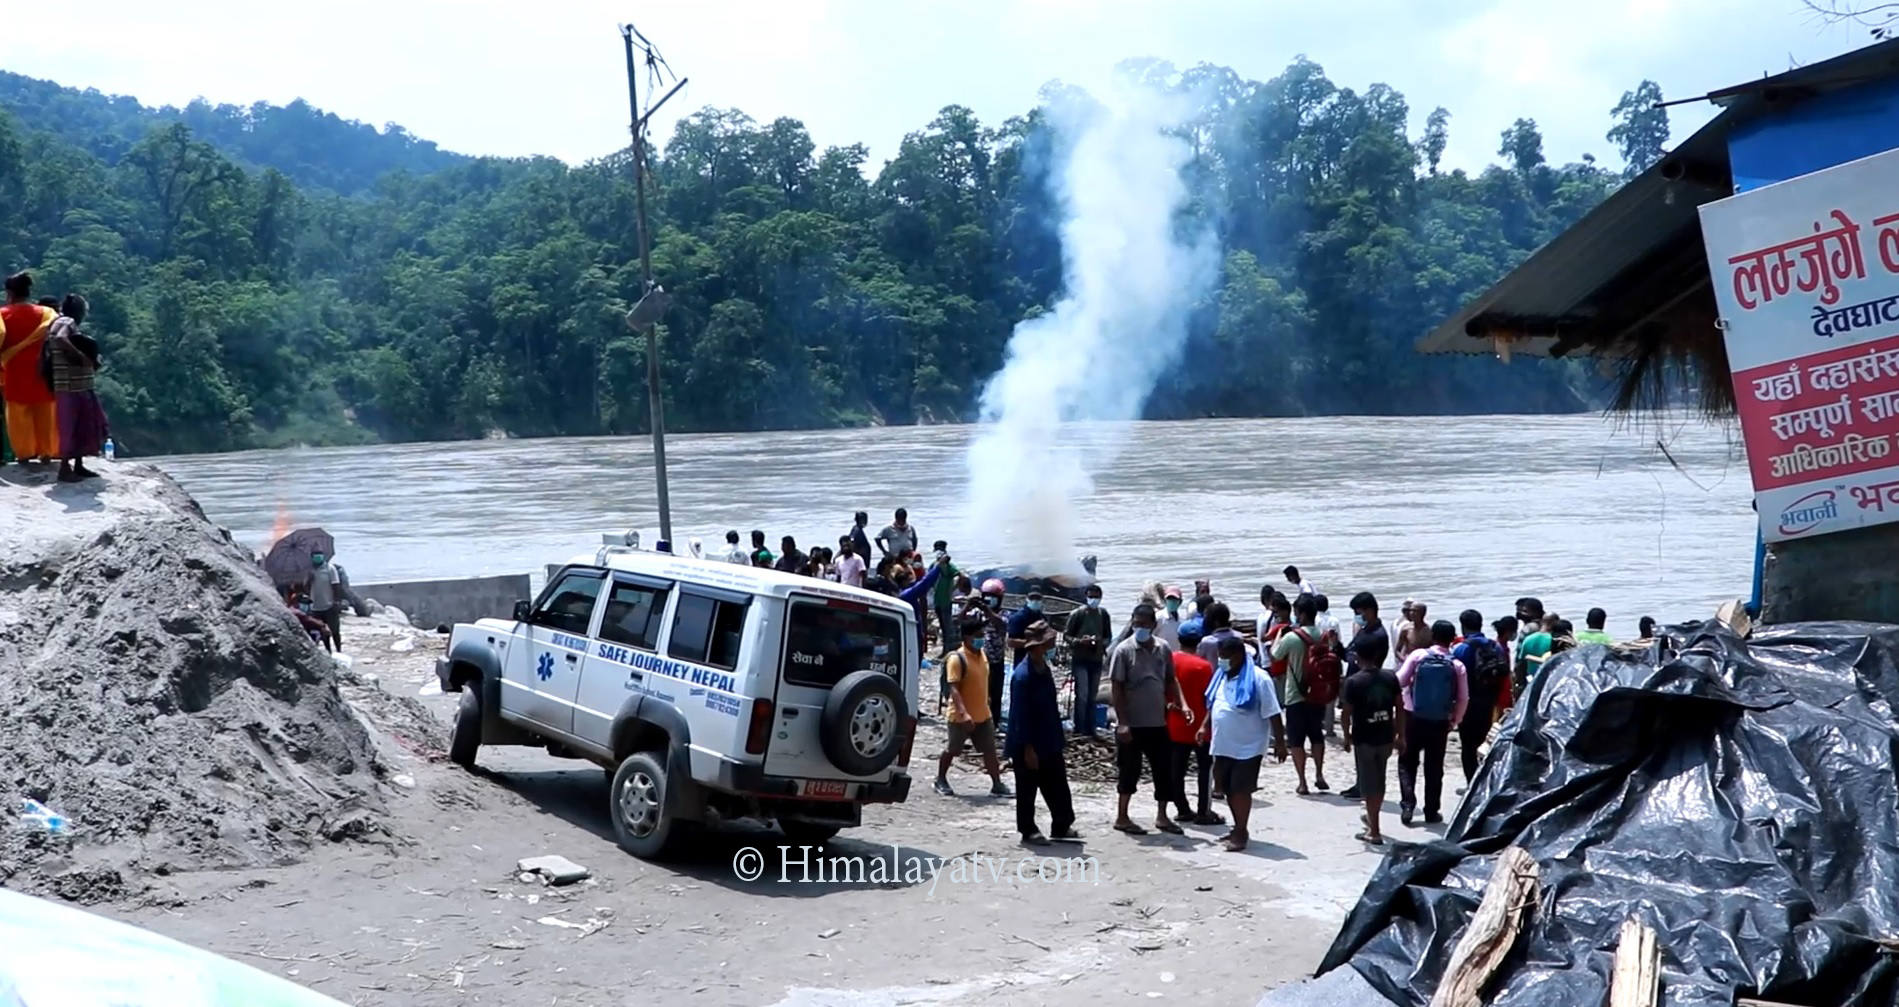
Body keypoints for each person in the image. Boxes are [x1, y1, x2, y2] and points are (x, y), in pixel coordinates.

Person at [1193, 635, 1283, 852]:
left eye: (1226, 657)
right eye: (1220, 656)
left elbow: (1273, 712)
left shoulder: (1259, 678)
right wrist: (1204, 726)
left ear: (1239, 656)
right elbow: (1214, 703)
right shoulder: (1221, 676)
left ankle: (1241, 832)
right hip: (1223, 744)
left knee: (1240, 790)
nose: (1222, 661)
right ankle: (1237, 827)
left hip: (1248, 746)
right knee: (1225, 788)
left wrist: (1280, 743)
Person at [1109, 603, 1190, 836]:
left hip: (1157, 722)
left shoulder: (1163, 648)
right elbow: (1117, 688)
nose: (1140, 628)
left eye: (1144, 624)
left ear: (1154, 626)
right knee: (1128, 771)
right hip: (1132, 724)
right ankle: (1122, 816)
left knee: (1163, 770)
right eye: (1136, 624)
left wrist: (1183, 704)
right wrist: (1122, 722)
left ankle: (1162, 816)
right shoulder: (1124, 651)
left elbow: (1171, 680)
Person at [1006, 620, 1078, 845]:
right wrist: (1028, 748)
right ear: (1038, 645)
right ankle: (1028, 830)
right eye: (1048, 640)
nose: (1052, 643)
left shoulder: (1043, 667)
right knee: (1027, 788)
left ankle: (1062, 824)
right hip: (1028, 741)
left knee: (1057, 783)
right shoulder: (1023, 676)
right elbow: (1020, 715)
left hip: (1049, 737)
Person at [1395, 620, 1468, 826]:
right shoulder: (1457, 665)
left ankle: (1408, 805)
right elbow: (1463, 698)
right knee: (1434, 767)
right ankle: (1431, 811)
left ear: (1432, 636)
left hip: (1413, 717)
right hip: (1440, 722)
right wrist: (1455, 720)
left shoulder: (1418, 656)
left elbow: (1399, 681)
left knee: (1407, 762)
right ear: (1452, 639)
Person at [936, 615, 1010, 798]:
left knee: (989, 750)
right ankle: (940, 779)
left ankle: (997, 784)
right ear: (966, 638)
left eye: (982, 634)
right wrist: (964, 713)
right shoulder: (957, 659)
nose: (981, 639)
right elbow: (954, 689)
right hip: (960, 716)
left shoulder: (982, 655)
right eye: (977, 635)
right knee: (953, 749)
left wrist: (988, 699)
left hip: (983, 713)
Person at [1341, 634, 1403, 845]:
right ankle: (1372, 820)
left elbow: (1346, 713)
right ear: (1378, 655)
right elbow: (1399, 707)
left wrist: (1346, 736)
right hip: (1385, 735)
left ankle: (1374, 830)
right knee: (1380, 779)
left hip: (1364, 738)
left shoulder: (1353, 681)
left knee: (1368, 784)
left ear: (1357, 657)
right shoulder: (1390, 677)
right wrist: (1400, 735)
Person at [1269, 595, 1331, 795]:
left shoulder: (1291, 637)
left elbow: (1275, 655)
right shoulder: (1322, 635)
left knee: (1296, 740)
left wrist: (1279, 634)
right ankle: (1319, 774)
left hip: (1295, 694)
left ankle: (1303, 782)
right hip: (1318, 693)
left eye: (1296, 613)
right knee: (1316, 735)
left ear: (1302, 614)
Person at [1337, 591, 1392, 802]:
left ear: (1368, 610)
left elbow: (1372, 663)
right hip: (1356, 682)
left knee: (1365, 736)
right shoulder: (1365, 630)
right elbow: (1349, 654)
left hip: (1368, 688)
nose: (1356, 616)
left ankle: (1367, 786)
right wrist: (1337, 646)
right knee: (1360, 736)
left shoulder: (1377, 634)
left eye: (1358, 612)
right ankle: (1362, 783)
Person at [45, 295, 106, 482]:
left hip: (78, 384)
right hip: (70, 385)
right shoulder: (66, 321)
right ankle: (65, 468)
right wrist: (81, 357)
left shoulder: (60, 322)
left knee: (81, 426)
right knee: (70, 427)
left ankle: (78, 465)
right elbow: (61, 338)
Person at [0, 272, 58, 465]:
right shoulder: (47, 314)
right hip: (43, 371)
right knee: (45, 411)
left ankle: (24, 455)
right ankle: (47, 453)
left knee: (18, 414)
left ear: (9, 293)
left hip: (15, 372)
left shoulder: (2, 314)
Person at [1168, 622, 1221, 827]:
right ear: (1199, 643)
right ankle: (1203, 812)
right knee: (1204, 770)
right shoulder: (1204, 666)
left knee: (1176, 770)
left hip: (1175, 724)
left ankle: (1182, 809)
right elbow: (1210, 699)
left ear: (1179, 640)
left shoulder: (1170, 661)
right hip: (1201, 727)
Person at [1450, 610, 1509, 784]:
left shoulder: (1461, 648)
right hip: (1490, 701)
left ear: (1463, 626)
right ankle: (1486, 780)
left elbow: (1454, 677)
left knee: (1468, 746)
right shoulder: (1494, 646)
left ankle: (1471, 783)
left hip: (1467, 703)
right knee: (1485, 742)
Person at [1063, 584, 1113, 738]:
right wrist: (1080, 642)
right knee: (1082, 695)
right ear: (1086, 597)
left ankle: (1090, 728)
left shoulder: (1103, 614)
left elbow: (1108, 637)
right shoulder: (1077, 614)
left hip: (1096, 659)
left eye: (1096, 597)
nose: (1093, 600)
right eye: (1091, 596)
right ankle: (1080, 727)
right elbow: (1066, 636)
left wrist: (1100, 643)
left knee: (1092, 696)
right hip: (1080, 659)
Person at [928, 541, 962, 659]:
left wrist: (952, 589)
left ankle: (948, 651)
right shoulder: (934, 565)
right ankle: (945, 650)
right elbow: (929, 578)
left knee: (947, 627)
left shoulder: (949, 566)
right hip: (937, 600)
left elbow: (959, 576)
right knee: (943, 626)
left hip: (946, 601)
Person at [309, 550, 345, 650]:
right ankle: (328, 650)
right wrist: (309, 579)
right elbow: (306, 588)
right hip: (315, 607)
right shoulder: (309, 571)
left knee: (335, 631)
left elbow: (336, 585)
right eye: (315, 556)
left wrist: (336, 602)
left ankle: (338, 650)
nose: (317, 558)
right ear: (311, 558)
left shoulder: (330, 569)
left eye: (319, 556)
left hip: (329, 605)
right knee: (322, 631)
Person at [1394, 600, 1430, 664]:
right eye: (1411, 610)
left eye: (1415, 611)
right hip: (1409, 663)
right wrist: (1405, 660)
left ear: (1423, 613)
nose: (1411, 613)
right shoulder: (1406, 629)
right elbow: (1397, 650)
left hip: (1425, 663)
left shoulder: (1429, 631)